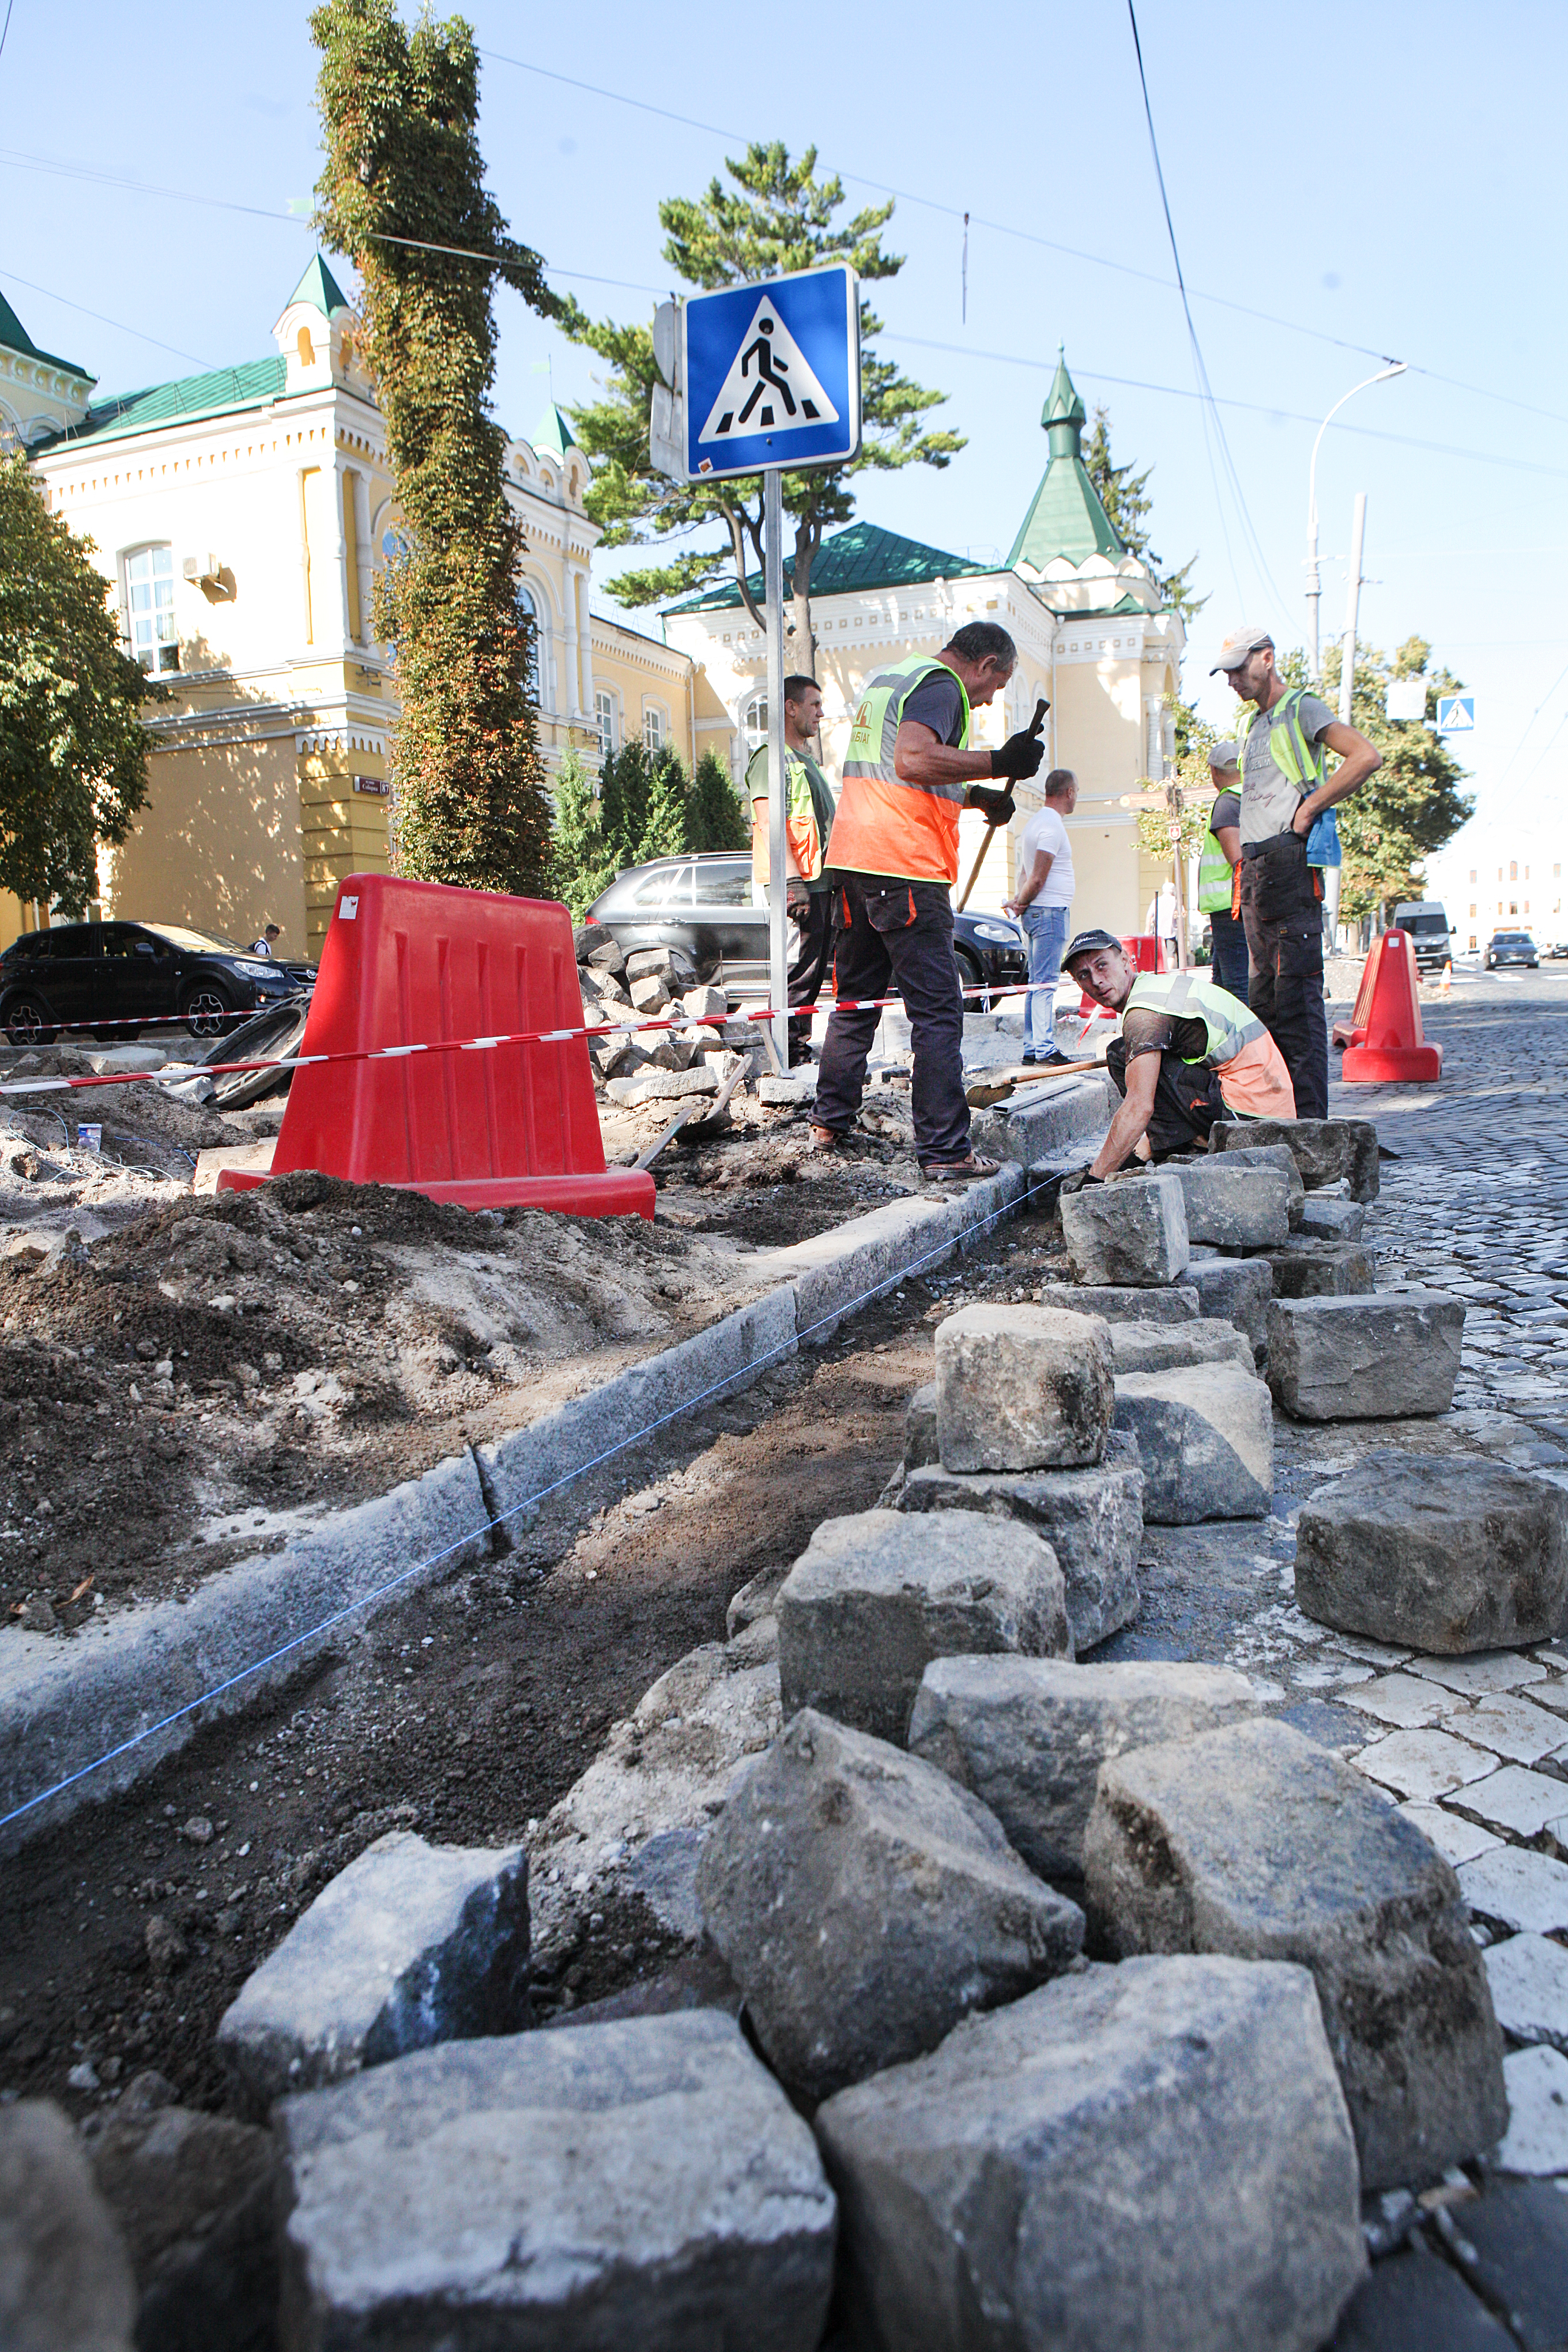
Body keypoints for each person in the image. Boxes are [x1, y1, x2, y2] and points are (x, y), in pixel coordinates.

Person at [812, 621, 1046, 1181]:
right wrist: (997, 761)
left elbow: (903, 771)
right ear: (985, 663)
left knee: (856, 1003)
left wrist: (974, 795)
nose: (989, 699)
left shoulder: (894, 678)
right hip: (905, 866)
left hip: (855, 859)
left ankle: (828, 1123)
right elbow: (913, 760)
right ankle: (946, 1152)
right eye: (996, 684)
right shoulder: (943, 686)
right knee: (938, 1012)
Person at [1211, 625, 1381, 1118]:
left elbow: (1365, 756)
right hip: (1260, 870)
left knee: (1297, 1001)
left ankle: (1309, 1129)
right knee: (1264, 1002)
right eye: (1227, 674)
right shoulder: (1255, 726)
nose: (1233, 682)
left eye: (1240, 669)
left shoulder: (1300, 707)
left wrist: (1310, 809)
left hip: (1288, 860)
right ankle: (1276, 1120)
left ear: (1267, 658)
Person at [1061, 929, 1296, 1178]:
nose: (1096, 980)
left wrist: (1094, 1178)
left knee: (1125, 1057)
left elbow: (1138, 1107)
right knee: (1124, 1053)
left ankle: (1181, 1143)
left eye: (1102, 965)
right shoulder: (1153, 987)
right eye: (1084, 975)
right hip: (1269, 1105)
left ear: (1126, 961)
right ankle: (1171, 1143)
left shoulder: (1144, 1014)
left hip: (1254, 1120)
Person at [748, 674, 836, 1065]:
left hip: (819, 882)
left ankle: (795, 1051)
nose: (821, 713)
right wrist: (792, 879)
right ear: (791, 707)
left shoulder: (805, 761)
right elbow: (770, 822)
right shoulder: (771, 758)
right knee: (796, 971)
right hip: (799, 883)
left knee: (811, 972)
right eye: (814, 704)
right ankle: (781, 1056)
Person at [1004, 767, 1078, 1068]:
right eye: (1076, 792)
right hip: (1049, 913)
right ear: (1069, 793)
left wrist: (1020, 903)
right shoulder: (1052, 827)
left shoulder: (1035, 824)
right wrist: (1021, 901)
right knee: (1045, 983)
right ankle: (1045, 1048)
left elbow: (1025, 873)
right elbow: (1037, 878)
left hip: (1038, 912)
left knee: (1036, 982)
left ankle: (1032, 1047)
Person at [1197, 742, 1249, 996]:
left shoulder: (1228, 802)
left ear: (1214, 772)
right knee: (1222, 983)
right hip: (1236, 907)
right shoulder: (1250, 796)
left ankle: (1245, 1035)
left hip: (1230, 908)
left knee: (1234, 985)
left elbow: (1238, 860)